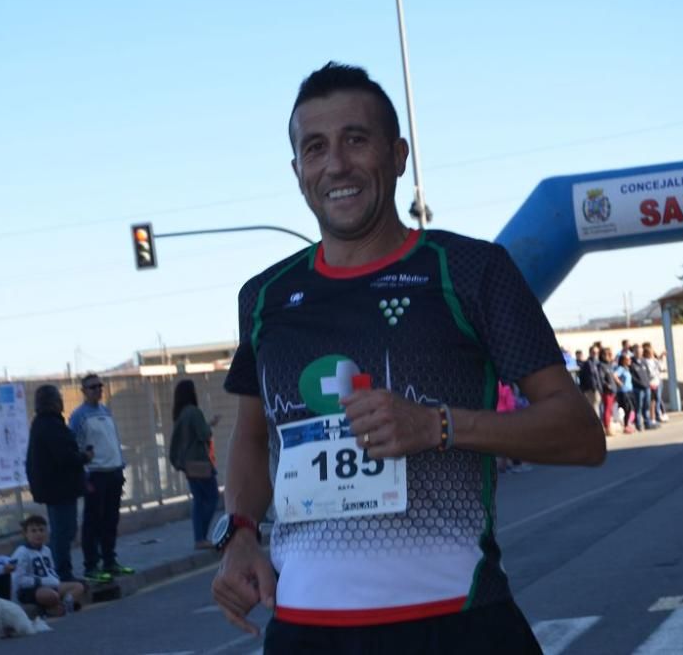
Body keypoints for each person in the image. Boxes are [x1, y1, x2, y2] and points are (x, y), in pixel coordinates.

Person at [212, 62, 605, 653]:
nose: (336, 164)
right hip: (305, 635)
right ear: (298, 172)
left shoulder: (470, 271)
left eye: (356, 140)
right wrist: (240, 535)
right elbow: (250, 436)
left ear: (398, 155)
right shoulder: (264, 296)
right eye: (315, 148)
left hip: (456, 624)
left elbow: (580, 436)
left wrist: (438, 426)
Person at [68, 374, 133, 582]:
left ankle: (110, 560)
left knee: (111, 520)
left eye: (99, 386)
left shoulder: (106, 412)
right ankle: (91, 565)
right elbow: (75, 445)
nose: (97, 390)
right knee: (93, 522)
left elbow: (113, 441)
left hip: (114, 472)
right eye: (92, 387)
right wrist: (84, 475)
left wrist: (120, 466)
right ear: (84, 391)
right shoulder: (79, 416)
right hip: (96, 474)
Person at [25, 384, 92, 582]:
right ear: (53, 402)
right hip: (59, 488)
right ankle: (62, 574)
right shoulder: (50, 425)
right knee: (65, 531)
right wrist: (84, 457)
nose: (62, 401)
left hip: (55, 487)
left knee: (63, 530)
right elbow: (65, 456)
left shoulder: (43, 423)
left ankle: (60, 572)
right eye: (58, 398)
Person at [169, 379, 221, 549]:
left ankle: (199, 537)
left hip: (188, 465)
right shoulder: (193, 411)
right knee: (212, 498)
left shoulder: (181, 414)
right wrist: (210, 426)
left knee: (199, 501)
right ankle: (202, 537)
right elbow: (204, 434)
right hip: (200, 463)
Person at [11, 515, 86, 617]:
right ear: (25, 534)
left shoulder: (46, 550)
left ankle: (63, 606)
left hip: (49, 585)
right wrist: (41, 581)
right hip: (30, 590)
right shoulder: (21, 552)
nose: (38, 534)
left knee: (78, 587)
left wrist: (54, 579)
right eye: (33, 531)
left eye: (41, 530)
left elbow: (51, 570)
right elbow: (18, 580)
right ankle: (51, 608)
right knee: (51, 595)